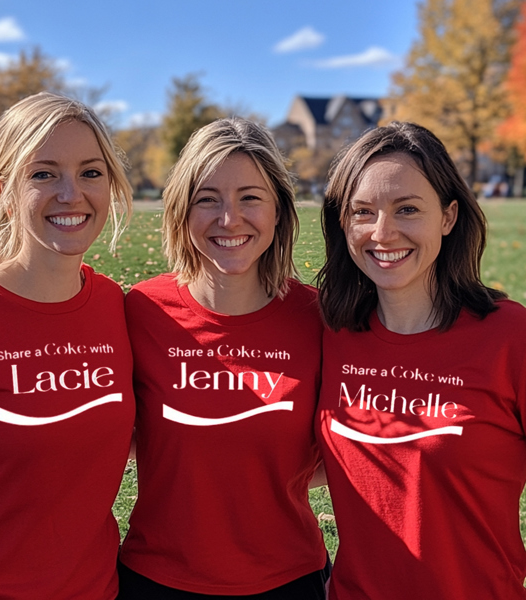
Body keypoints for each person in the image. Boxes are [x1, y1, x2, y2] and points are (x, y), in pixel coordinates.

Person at [0, 92, 136, 599]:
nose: (72, 193)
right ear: (3, 189)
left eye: (91, 172)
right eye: (43, 174)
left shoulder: (116, 307)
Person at [118, 117, 328, 599]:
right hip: (156, 579)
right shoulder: (141, 311)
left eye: (250, 198)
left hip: (289, 579)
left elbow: (344, 451)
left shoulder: (318, 318)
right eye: (207, 199)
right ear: (180, 211)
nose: (228, 218)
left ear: (278, 210)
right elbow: (111, 430)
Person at [316, 121, 526, 599]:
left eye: (407, 209)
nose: (382, 233)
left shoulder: (511, 337)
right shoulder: (330, 333)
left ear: (448, 217)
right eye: (362, 212)